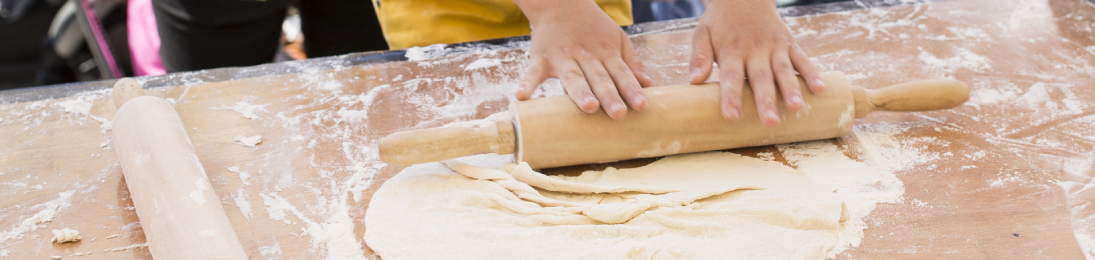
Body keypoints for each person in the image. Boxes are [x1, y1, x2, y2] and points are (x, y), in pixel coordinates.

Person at [373, 0, 823, 128]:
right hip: (449, 10)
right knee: (465, 123)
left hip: (594, 11)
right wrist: (555, 8)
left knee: (610, 108)